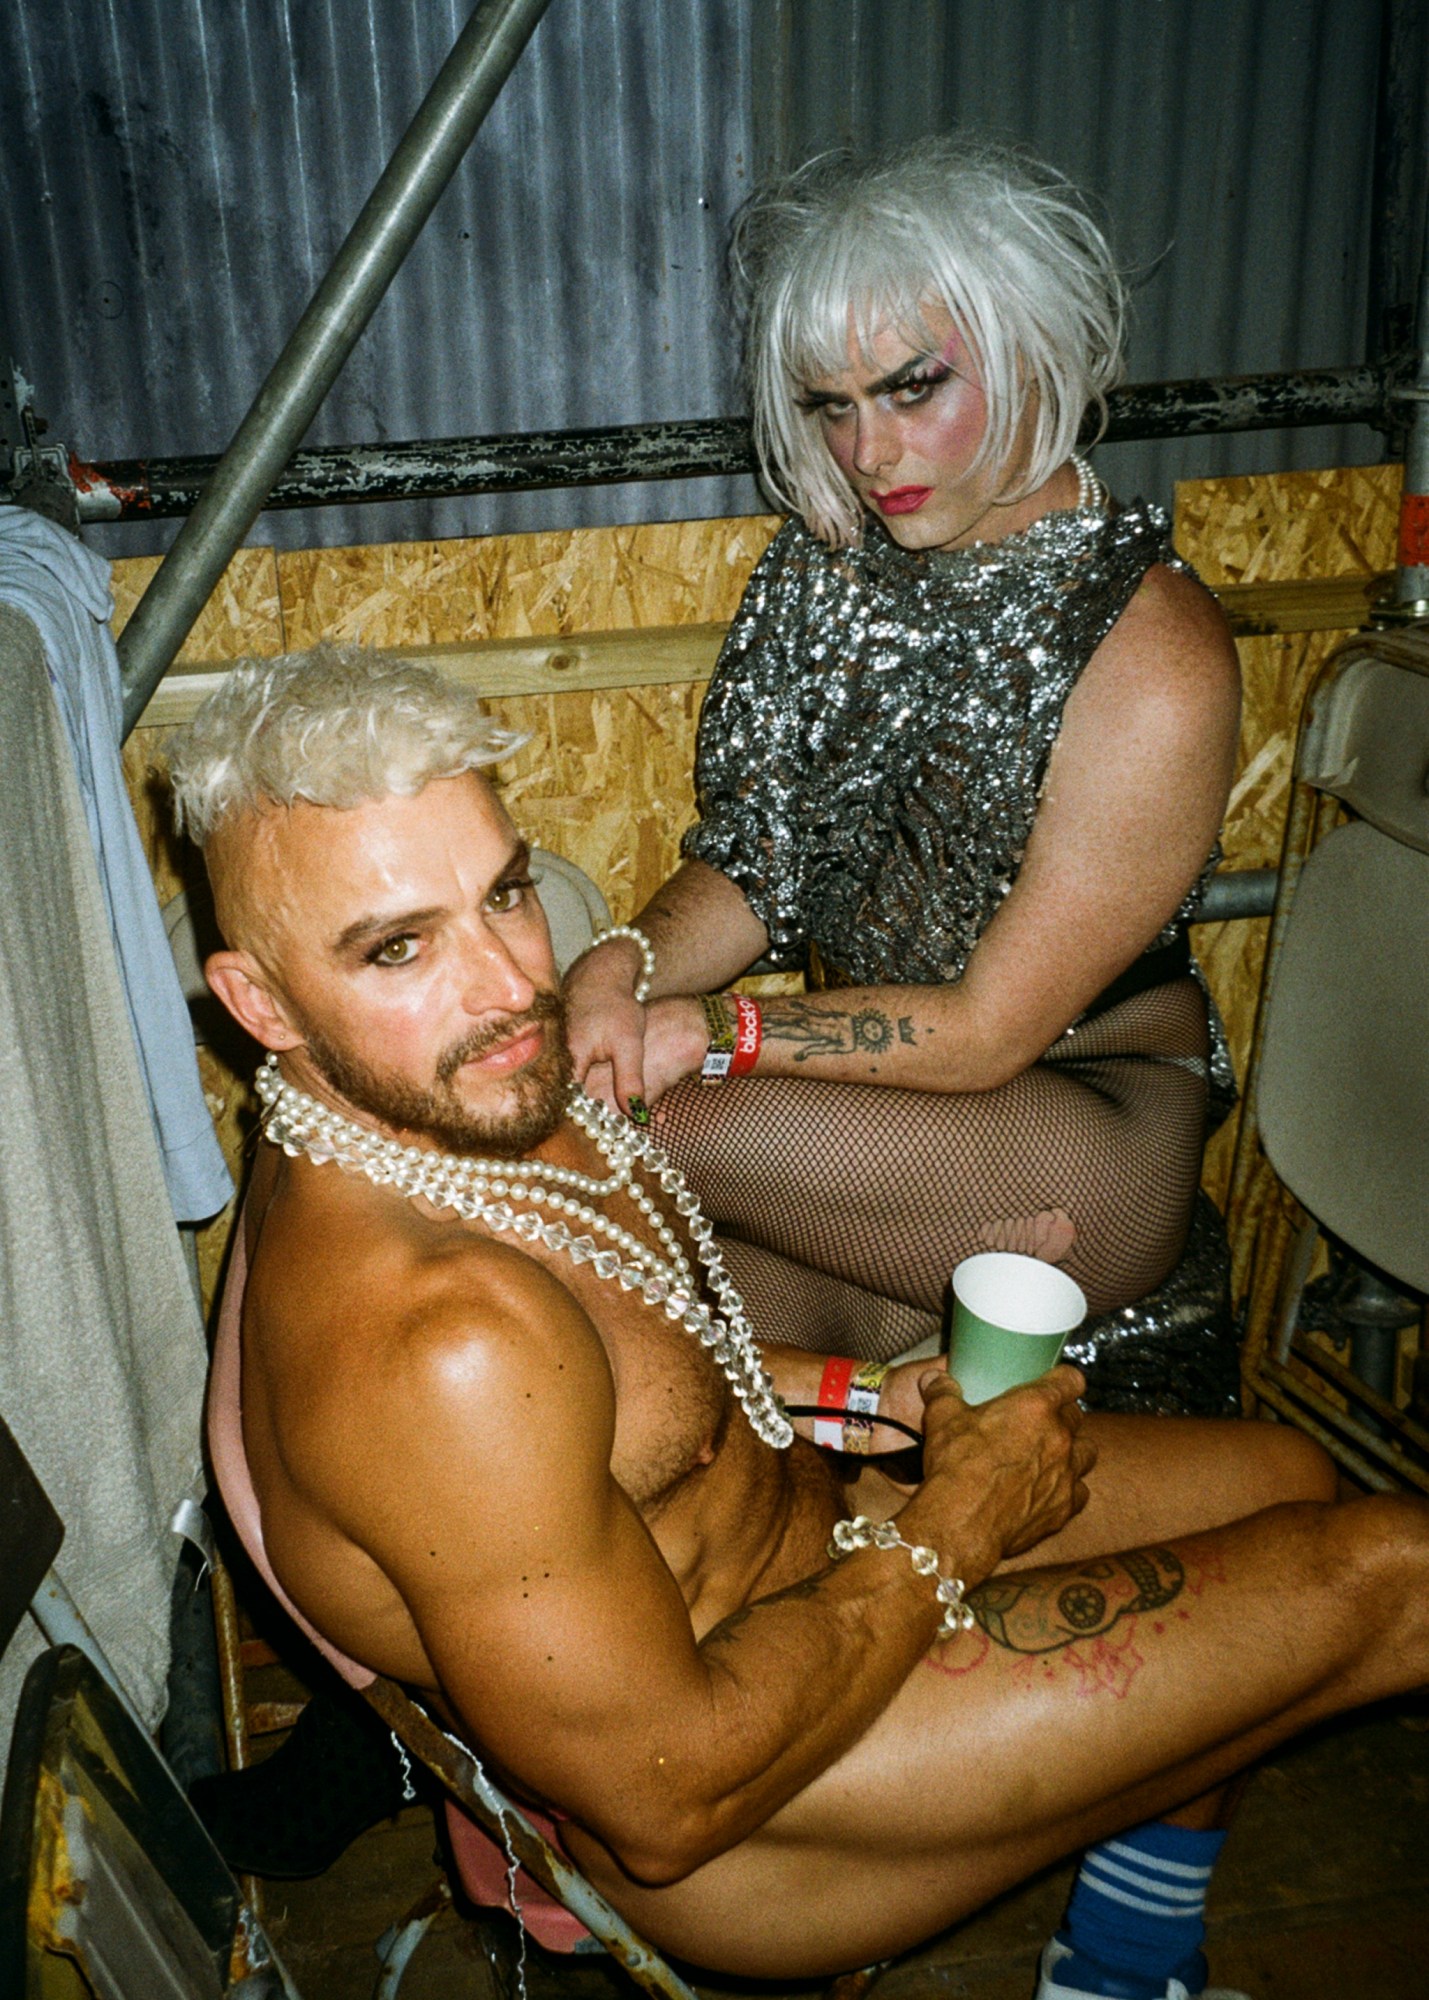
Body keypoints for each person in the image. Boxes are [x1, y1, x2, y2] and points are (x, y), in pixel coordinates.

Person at [171, 648, 1429, 2000]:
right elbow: (668, 1799)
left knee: (1282, 1482)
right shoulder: (438, 1346)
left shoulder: (440, 1097)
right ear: (258, 1002)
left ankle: (1120, 1966)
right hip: (746, 1794)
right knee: (1393, 1572)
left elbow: (636, 1377)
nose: (506, 989)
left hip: (816, 1556)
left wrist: (867, 1394)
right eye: (400, 946)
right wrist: (965, 1517)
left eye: (506, 894)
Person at [563, 137, 1243, 1407]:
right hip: (875, 1128)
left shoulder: (1150, 650)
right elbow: (759, 861)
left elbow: (988, 1029)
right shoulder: (823, 566)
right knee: (646, 1373)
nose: (871, 453)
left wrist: (698, 1032)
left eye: (911, 388)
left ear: (1034, 346)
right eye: (833, 405)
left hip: (1086, 1114)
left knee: (622, 1107)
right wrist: (619, 967)